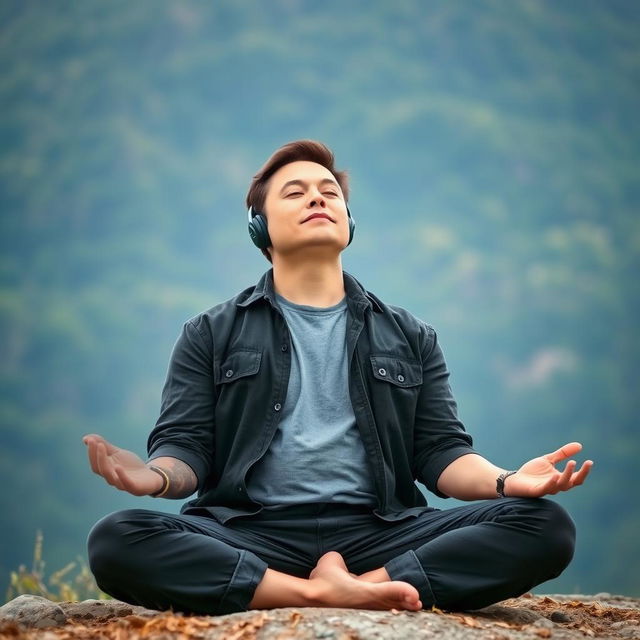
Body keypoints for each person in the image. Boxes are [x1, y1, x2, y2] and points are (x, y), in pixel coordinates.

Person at [85, 139, 592, 616]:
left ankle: (364, 584)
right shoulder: (209, 333)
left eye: (329, 192)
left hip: (382, 530)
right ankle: (317, 593)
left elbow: (440, 454)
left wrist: (508, 482)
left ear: (349, 222)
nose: (317, 199)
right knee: (117, 538)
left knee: (544, 525)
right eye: (296, 192)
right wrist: (152, 478)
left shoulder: (410, 335)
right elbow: (187, 447)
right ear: (259, 227)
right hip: (248, 531)